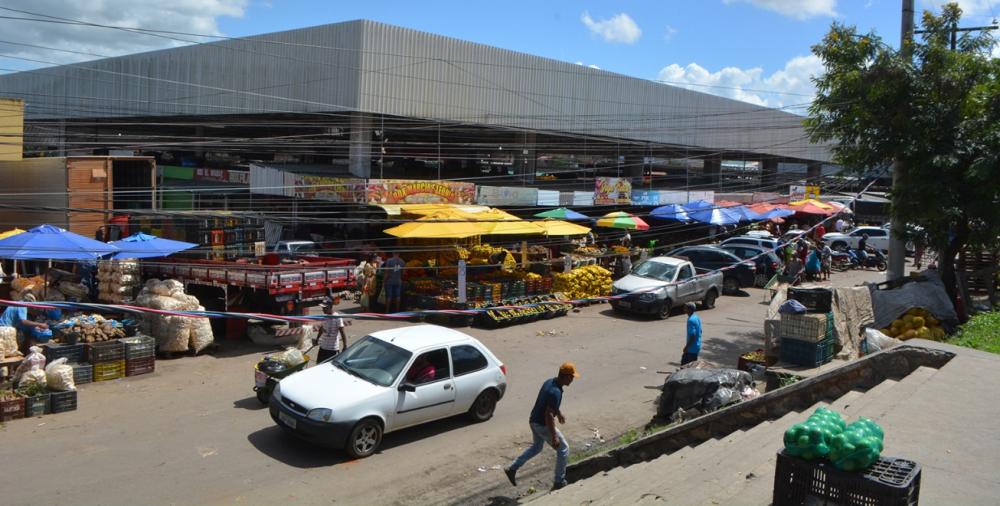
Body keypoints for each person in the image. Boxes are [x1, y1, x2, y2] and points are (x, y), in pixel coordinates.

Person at [505, 362, 579, 491]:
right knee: (563, 449)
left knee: (537, 447)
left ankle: (512, 468)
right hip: (542, 424)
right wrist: (554, 436)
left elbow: (548, 404)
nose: (572, 380)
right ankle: (559, 481)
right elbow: (548, 415)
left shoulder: (550, 382)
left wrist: (559, 413)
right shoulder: (555, 391)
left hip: (533, 420)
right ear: (565, 376)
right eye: (571, 377)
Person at [315, 299, 348, 363]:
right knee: (319, 365)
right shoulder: (324, 317)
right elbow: (321, 329)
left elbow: (342, 332)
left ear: (330, 306)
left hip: (332, 349)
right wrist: (317, 339)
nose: (323, 309)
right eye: (322, 308)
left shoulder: (337, 317)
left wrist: (345, 346)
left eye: (325, 308)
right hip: (323, 347)